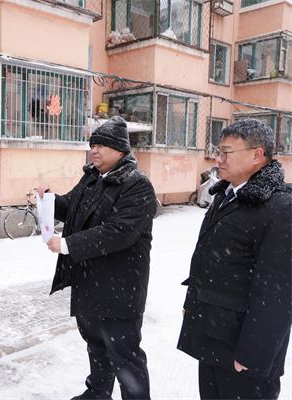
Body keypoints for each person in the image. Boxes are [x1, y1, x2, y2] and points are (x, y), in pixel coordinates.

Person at [39, 116, 156, 400]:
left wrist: (67, 244)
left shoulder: (136, 184)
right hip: (89, 283)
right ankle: (98, 392)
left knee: (125, 355)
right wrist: (51, 200)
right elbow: (72, 208)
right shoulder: (92, 178)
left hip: (120, 288)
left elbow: (119, 232)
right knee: (96, 345)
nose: (94, 150)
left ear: (121, 150)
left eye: (102, 145)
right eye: (92, 145)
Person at [177, 118, 292, 399]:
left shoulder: (280, 208)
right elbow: (207, 259)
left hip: (244, 349)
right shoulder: (227, 195)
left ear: (257, 155)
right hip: (214, 334)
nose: (219, 159)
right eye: (219, 151)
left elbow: (277, 292)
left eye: (227, 152)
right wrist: (192, 304)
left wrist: (253, 353)